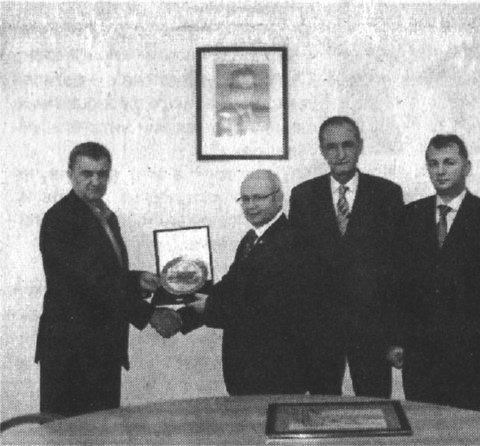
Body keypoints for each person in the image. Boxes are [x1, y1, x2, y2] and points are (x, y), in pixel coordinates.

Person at [36, 142, 181, 417]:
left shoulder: (103, 214)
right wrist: (148, 314)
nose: (96, 181)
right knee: (68, 432)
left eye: (102, 174)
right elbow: (89, 284)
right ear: (70, 175)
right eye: (87, 173)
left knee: (102, 429)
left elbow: (104, 274)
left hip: (102, 348)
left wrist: (138, 280)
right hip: (72, 353)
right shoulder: (60, 219)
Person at [289, 116, 404, 398]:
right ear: (321, 150)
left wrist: (394, 335)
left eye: (347, 145)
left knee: (375, 407)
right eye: (331, 147)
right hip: (321, 330)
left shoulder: (387, 194)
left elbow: (397, 270)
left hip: (372, 328)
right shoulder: (303, 196)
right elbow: (297, 270)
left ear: (360, 146)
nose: (340, 154)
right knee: (322, 408)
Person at [386, 134, 480, 413]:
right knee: (425, 426)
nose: (440, 171)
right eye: (433, 163)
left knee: (469, 428)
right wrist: (395, 339)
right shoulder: (409, 215)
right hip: (420, 355)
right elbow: (397, 285)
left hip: (471, 355)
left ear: (467, 167)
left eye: (449, 162)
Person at [175, 170, 317, 395]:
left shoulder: (293, 242)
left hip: (277, 371)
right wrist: (181, 303)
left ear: (279, 199)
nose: (251, 206)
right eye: (245, 199)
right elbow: (230, 284)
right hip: (246, 369)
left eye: (259, 198)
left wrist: (209, 307)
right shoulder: (251, 238)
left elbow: (268, 309)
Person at [216, 66, 270, 137]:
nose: (244, 92)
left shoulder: (267, 113)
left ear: (254, 89)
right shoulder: (219, 116)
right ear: (231, 88)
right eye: (239, 87)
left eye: (249, 88)